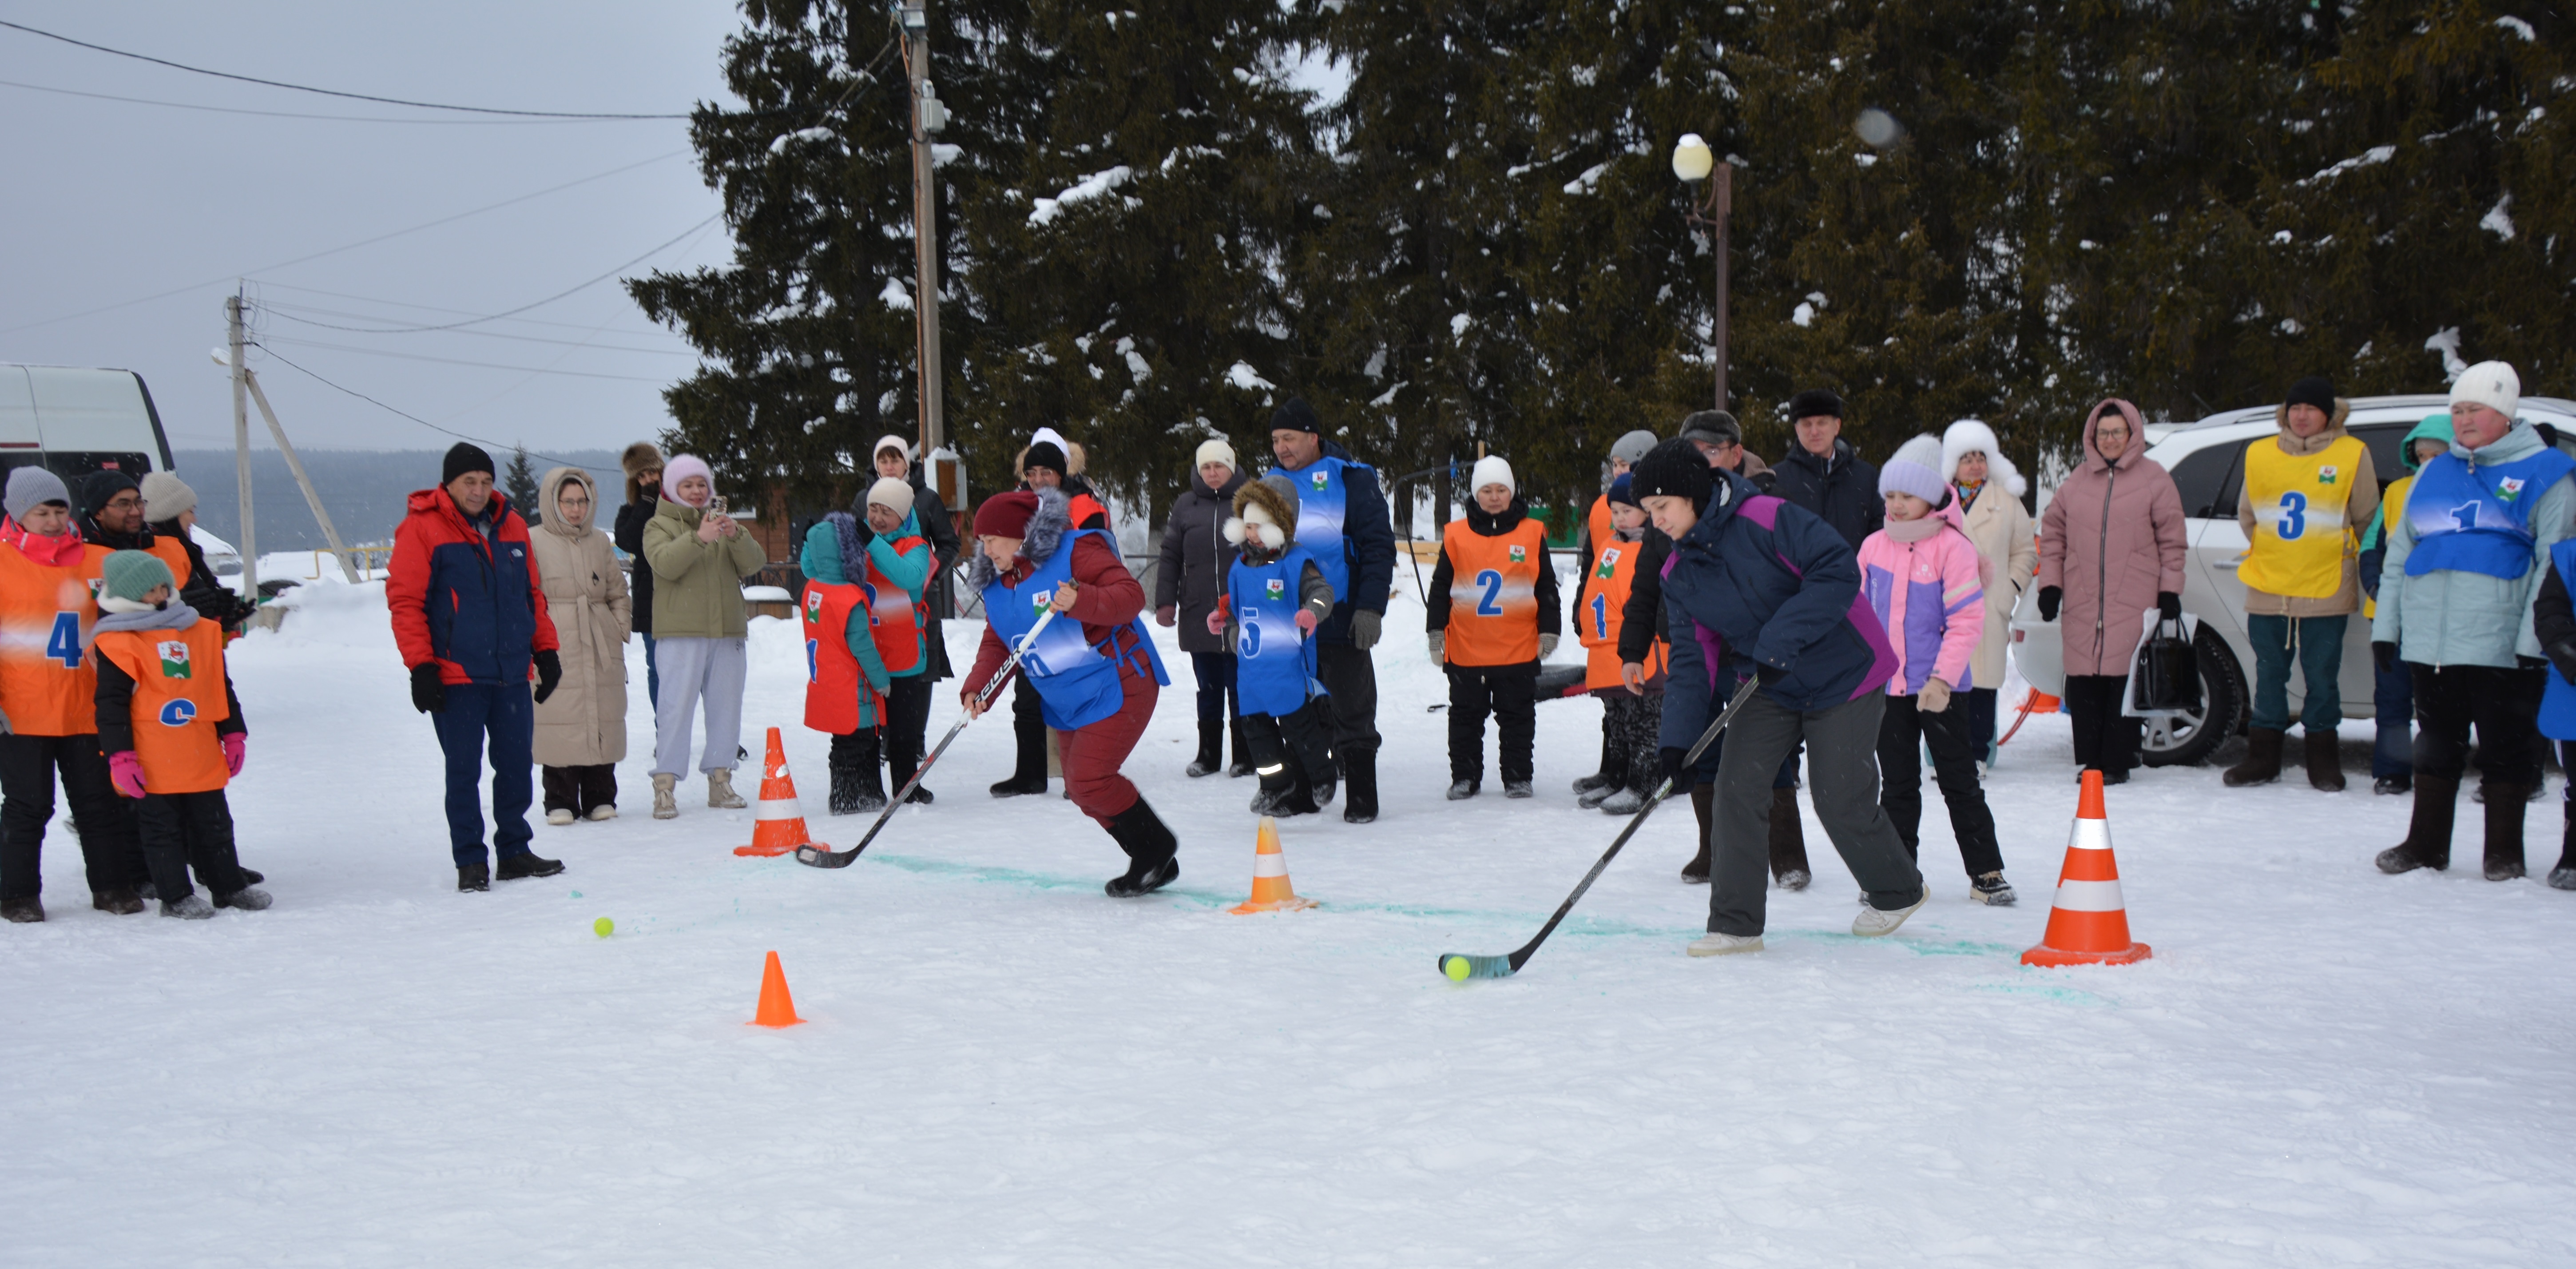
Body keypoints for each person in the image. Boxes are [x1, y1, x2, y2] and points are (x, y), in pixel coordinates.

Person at [1628, 438, 1927, 958]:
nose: (1655, 521)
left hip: (1846, 671)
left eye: (1662, 508)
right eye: (1648, 511)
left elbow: (1836, 569)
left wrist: (1777, 641)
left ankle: (1897, 889)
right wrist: (1675, 745)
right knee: (1735, 788)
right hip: (1768, 683)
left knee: (1838, 795)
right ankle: (1735, 923)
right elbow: (1690, 664)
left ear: (1694, 495)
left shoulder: (1765, 517)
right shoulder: (1678, 576)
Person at [2373, 362, 2575, 880]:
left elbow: (2554, 565)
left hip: (2503, 641)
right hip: (2431, 641)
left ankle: (2503, 853)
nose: (2461, 420)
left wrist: (2534, 641)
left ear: (2504, 415)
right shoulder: (2432, 471)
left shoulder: (2546, 470)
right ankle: (2425, 845)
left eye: (2474, 410)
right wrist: (2386, 628)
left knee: (2506, 750)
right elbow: (2399, 553)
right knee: (2434, 742)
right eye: (2456, 410)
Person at [963, 488, 1180, 896]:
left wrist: (1082, 600)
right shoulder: (998, 582)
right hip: (1066, 696)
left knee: (1089, 778)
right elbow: (1000, 639)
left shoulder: (1075, 552)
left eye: (992, 538)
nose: (986, 549)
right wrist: (979, 687)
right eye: (983, 541)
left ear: (1018, 533)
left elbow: (1130, 598)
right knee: (1081, 790)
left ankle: (1156, 849)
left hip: (1118, 678)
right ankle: (1151, 858)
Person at [1627, 414, 1811, 887]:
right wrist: (1633, 646)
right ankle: (1713, 847)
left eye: (1712, 449)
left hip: (1759, 652)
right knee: (1700, 747)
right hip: (1694, 646)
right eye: (1695, 448)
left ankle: (1787, 851)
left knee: (1766, 749)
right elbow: (1647, 584)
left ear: (1735, 452)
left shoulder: (1762, 502)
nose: (1703, 457)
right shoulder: (1666, 507)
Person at [389, 443, 565, 892]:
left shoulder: (512, 525)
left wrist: (545, 651)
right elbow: (406, 602)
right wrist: (421, 667)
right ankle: (470, 859)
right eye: (470, 482)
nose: (479, 490)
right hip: (456, 674)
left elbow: (532, 596)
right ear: (448, 484)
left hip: (510, 671)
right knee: (463, 771)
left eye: (486, 482)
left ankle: (514, 850)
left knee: (515, 766)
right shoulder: (421, 528)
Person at [1861, 437, 2012, 904]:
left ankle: (1985, 871)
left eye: (1906, 496)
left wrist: (1942, 679)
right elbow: (1861, 620)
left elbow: (1966, 621)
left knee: (1958, 780)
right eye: (1890, 496)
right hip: (1890, 690)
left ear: (1930, 496)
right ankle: (1896, 873)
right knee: (1897, 784)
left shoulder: (1952, 547)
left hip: (1941, 690)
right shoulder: (1872, 548)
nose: (1896, 505)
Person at [0, 467, 151, 923]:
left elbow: (137, 615)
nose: (50, 521)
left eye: (58, 510)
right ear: (17, 515)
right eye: (40, 512)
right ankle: (17, 894)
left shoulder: (98, 561)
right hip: (21, 711)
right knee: (29, 807)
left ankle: (112, 886)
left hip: (86, 708)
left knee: (98, 804)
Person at [2222, 377, 2379, 792]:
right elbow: (2248, 515)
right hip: (2268, 584)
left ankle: (2323, 760)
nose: (2302, 415)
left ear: (2329, 413)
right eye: (2295, 408)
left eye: (2311, 408)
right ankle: (2262, 758)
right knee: (2269, 673)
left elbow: (2366, 518)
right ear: (2285, 413)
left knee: (2322, 676)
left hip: (2325, 586)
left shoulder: (2351, 454)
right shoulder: (2260, 453)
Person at [90, 550, 264, 918]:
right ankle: (176, 896)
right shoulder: (118, 641)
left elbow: (220, 687)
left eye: (163, 586)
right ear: (128, 595)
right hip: (152, 756)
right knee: (161, 831)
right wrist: (120, 756)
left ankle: (229, 887)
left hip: (199, 749)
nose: (159, 595)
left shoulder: (198, 629)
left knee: (215, 825)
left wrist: (233, 734)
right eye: (149, 590)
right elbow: (111, 707)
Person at [2036, 400, 2187, 785]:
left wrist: (2169, 590)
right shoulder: (2077, 481)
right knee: (2085, 679)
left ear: (2132, 434)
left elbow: (2172, 541)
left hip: (2132, 595)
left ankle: (2117, 761)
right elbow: (2053, 534)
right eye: (2102, 432)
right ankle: (2090, 762)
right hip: (2083, 595)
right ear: (2092, 436)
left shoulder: (2154, 479)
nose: (2109, 439)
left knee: (2122, 678)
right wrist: (2051, 583)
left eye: (2117, 432)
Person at [1269, 398, 1396, 823]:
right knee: (1298, 706)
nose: (1282, 448)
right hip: (1287, 616)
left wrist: (1370, 609)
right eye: (1275, 440)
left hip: (1341, 612)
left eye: (1289, 438)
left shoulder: (1353, 479)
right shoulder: (1268, 484)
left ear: (1313, 437)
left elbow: (1379, 546)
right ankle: (1305, 790)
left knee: (1351, 705)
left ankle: (1362, 796)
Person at [641, 453, 767, 819]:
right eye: (687, 485)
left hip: (727, 630)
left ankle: (721, 779)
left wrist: (736, 534)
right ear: (672, 489)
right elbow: (664, 564)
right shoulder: (658, 525)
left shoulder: (722, 523)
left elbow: (754, 563)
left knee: (726, 708)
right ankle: (664, 787)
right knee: (675, 710)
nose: (696, 492)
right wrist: (698, 539)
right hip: (681, 631)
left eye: (701, 485)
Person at [1427, 456, 1559, 800]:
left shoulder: (1531, 532)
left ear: (1512, 492)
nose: (1495, 496)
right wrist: (1435, 631)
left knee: (1517, 717)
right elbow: (1441, 586)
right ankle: (1465, 777)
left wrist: (1549, 628)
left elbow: (1546, 585)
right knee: (1464, 719)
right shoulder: (1456, 535)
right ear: (1475, 493)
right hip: (1467, 649)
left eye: (1502, 489)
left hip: (1517, 647)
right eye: (1487, 490)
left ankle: (1517, 776)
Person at [1211, 474, 1338, 815]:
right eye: (1247, 525)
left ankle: (1323, 775)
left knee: (1300, 727)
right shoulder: (1240, 565)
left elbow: (1323, 593)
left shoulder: (1296, 561)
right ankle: (1275, 783)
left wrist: (1313, 612)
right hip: (1251, 666)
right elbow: (1239, 609)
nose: (1251, 533)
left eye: (1259, 526)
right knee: (1254, 729)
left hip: (1286, 665)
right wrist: (1225, 618)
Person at [990, 437, 1107, 798]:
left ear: (1061, 473)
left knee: (1076, 693)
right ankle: (1030, 773)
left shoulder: (1084, 503)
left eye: (1047, 472)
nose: (1039, 479)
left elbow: (1099, 552)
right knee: (1027, 694)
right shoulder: (1018, 505)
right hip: (1030, 608)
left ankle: (1081, 776)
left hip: (1071, 607)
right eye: (1032, 472)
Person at [2356, 415, 2456, 795]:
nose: (2427, 460)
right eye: (2421, 453)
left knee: (2440, 700)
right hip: (2391, 614)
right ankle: (2391, 771)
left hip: (2440, 614)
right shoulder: (2397, 490)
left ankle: (2439, 769)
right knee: (2392, 697)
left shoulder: (2464, 491)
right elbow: (2371, 547)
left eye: (2437, 453)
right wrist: (2376, 586)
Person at [529, 468, 631, 824]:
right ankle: (559, 798)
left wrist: (619, 627)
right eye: (568, 502)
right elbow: (527, 594)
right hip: (555, 639)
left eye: (582, 501)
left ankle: (600, 795)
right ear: (553, 503)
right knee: (558, 715)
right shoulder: (534, 540)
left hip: (599, 637)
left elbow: (618, 591)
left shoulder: (600, 541)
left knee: (602, 713)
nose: (576, 509)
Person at [1939, 420, 2035, 768]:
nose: (1975, 464)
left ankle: (1978, 752)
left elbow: (2024, 551)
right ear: (1953, 462)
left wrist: (2008, 589)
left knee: (1981, 684)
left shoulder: (2007, 501)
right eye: (1967, 457)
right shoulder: (1935, 500)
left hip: (1987, 605)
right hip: (1943, 607)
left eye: (1981, 456)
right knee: (1943, 681)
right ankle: (1942, 754)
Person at [1571, 430, 1660, 799]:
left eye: (1628, 464)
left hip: (1642, 645)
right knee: (1617, 716)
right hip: (1607, 643)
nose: (1620, 518)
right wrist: (1582, 608)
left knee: (1643, 717)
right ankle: (1615, 773)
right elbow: (1593, 568)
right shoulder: (1608, 532)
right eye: (1616, 464)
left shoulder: (1658, 536)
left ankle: (1642, 780)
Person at [1159, 438, 1254, 778]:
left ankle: (1245, 753)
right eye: (1206, 467)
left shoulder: (1251, 500)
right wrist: (1165, 601)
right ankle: (1208, 753)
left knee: (1240, 684)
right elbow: (1171, 554)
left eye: (1220, 466)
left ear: (1232, 466)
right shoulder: (1186, 505)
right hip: (1199, 610)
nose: (1213, 473)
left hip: (1242, 611)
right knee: (1209, 685)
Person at [798, 504, 897, 813]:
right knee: (854, 745)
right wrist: (882, 681)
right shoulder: (849, 598)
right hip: (851, 686)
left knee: (842, 742)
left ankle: (859, 793)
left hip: (826, 682)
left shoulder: (814, 589)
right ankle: (845, 798)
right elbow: (862, 646)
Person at [855, 475, 938, 802]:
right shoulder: (860, 541)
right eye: (872, 508)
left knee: (903, 729)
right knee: (869, 727)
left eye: (886, 511)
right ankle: (868, 789)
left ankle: (907, 787)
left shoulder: (915, 546)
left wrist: (872, 544)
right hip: (867, 650)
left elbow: (909, 577)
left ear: (903, 517)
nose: (876, 517)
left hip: (903, 651)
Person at [873, 434, 960, 684]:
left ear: (906, 464)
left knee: (919, 674)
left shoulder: (926, 499)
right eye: (883, 461)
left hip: (920, 600)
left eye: (895, 460)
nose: (890, 467)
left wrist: (928, 572)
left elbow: (950, 543)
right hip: (878, 599)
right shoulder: (864, 500)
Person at [137, 472, 256, 634]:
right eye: (191, 512)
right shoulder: (167, 549)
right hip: (181, 654)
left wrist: (223, 618)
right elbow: (171, 612)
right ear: (171, 515)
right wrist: (213, 605)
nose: (194, 520)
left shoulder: (160, 547)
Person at [1770, 389, 1882, 549]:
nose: (1814, 432)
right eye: (1807, 424)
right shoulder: (1777, 479)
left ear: (1837, 426)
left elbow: (1880, 538)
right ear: (1797, 429)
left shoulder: (1866, 477)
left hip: (1854, 573)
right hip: (1799, 574)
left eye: (1822, 423)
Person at [613, 442, 665, 716]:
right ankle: (665, 732)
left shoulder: (680, 504)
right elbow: (628, 540)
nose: (648, 481)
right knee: (657, 669)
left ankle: (719, 737)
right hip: (649, 600)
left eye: (651, 473)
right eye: (641, 477)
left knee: (700, 669)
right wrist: (645, 505)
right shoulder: (630, 511)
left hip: (685, 595)